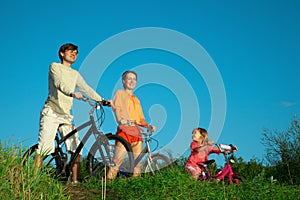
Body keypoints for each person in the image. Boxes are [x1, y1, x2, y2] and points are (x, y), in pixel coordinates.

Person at [35, 43, 104, 184]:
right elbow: (59, 83)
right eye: (71, 51)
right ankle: (33, 180)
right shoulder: (55, 67)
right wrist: (72, 93)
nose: (74, 54)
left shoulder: (75, 74)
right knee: (44, 147)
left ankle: (75, 182)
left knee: (76, 147)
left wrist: (102, 100)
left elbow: (87, 89)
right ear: (62, 53)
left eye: (76, 52)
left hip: (66, 115)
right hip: (52, 112)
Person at [106, 70, 156, 179]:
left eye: (134, 79)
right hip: (124, 130)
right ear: (123, 81)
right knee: (116, 162)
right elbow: (117, 108)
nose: (132, 81)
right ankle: (107, 187)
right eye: (129, 78)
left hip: (136, 133)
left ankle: (134, 190)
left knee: (136, 165)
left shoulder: (136, 99)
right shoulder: (120, 93)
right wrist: (120, 120)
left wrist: (148, 126)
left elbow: (141, 119)